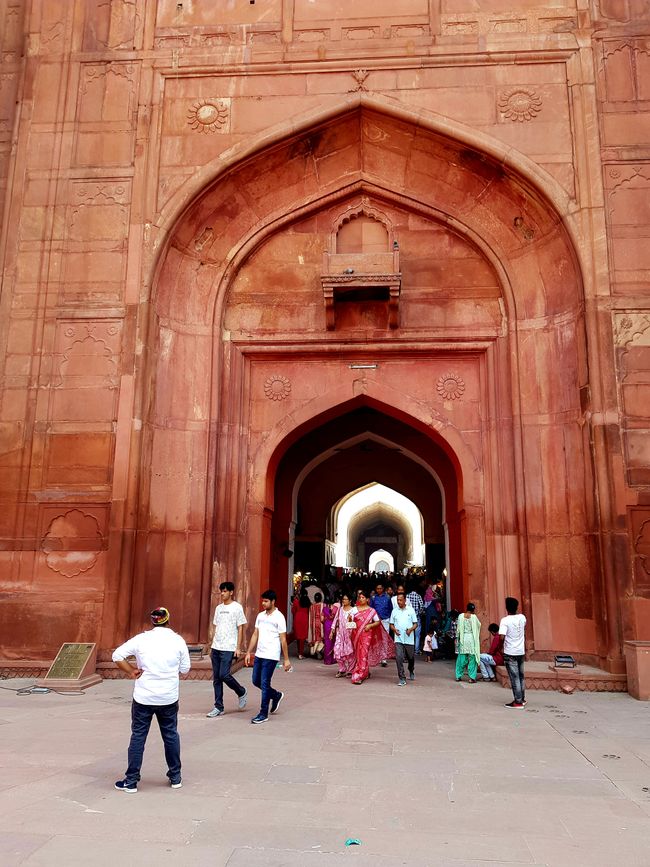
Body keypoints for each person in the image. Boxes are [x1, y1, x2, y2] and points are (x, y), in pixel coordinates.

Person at [112, 607, 190, 793]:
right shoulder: (178, 640)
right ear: (168, 620)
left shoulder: (142, 639)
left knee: (138, 736)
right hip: (168, 697)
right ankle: (175, 777)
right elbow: (186, 669)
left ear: (153, 621)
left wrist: (131, 670)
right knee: (170, 735)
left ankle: (131, 781)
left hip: (144, 696)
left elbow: (117, 656)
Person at [245, 589, 291, 724]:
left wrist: (287, 659)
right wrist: (249, 652)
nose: (263, 603)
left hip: (271, 655)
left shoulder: (279, 617)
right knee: (255, 681)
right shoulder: (260, 616)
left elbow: (283, 639)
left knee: (265, 683)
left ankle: (263, 713)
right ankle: (276, 695)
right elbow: (255, 634)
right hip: (259, 653)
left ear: (273, 601)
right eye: (262, 601)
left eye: (266, 601)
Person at [206, 581, 248, 718]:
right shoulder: (218, 608)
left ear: (231, 592)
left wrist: (238, 647)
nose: (222, 593)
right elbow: (216, 626)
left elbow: (241, 627)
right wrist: (212, 643)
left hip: (229, 647)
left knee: (224, 675)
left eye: (225, 591)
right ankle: (218, 706)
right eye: (221, 591)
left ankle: (241, 691)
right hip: (216, 647)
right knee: (217, 678)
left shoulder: (237, 608)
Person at [350, 588, 394, 684]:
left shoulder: (371, 611)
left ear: (367, 600)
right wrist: (349, 620)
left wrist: (370, 625)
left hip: (367, 635)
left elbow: (378, 622)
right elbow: (350, 623)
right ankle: (365, 671)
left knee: (364, 653)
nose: (361, 599)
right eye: (360, 597)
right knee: (358, 654)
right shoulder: (354, 610)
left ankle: (360, 675)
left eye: (363, 597)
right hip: (356, 635)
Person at [499, 597, 527, 708]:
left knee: (514, 677)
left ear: (507, 608)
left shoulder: (505, 620)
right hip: (520, 651)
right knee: (521, 676)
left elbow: (501, 637)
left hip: (510, 652)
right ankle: (522, 698)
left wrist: (501, 648)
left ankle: (518, 701)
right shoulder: (522, 618)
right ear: (516, 607)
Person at [389, 591, 418, 685]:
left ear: (405, 600)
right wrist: (394, 630)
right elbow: (391, 624)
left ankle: (411, 669)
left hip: (409, 638)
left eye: (401, 600)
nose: (399, 602)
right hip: (398, 638)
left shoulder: (411, 610)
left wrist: (410, 629)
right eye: (398, 600)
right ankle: (402, 678)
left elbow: (415, 624)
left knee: (411, 657)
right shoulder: (394, 611)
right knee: (399, 658)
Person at [331, 591, 357, 677]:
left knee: (350, 653)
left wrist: (350, 621)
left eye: (346, 599)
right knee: (337, 650)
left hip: (349, 635)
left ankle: (350, 670)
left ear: (350, 600)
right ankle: (342, 669)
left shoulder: (354, 610)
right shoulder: (340, 609)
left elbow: (355, 624)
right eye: (343, 599)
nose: (344, 601)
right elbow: (335, 620)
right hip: (340, 634)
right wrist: (332, 631)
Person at [455, 602, 481, 683]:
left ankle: (458, 676)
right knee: (472, 659)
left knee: (461, 659)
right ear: (473, 610)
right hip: (471, 639)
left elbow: (458, 629)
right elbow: (479, 625)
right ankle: (472, 678)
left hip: (463, 639)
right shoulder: (474, 617)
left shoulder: (460, 616)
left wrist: (457, 638)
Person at [370, 581, 393, 667]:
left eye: (380, 588)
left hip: (385, 620)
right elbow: (371, 610)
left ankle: (384, 658)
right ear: (376, 589)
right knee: (376, 639)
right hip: (376, 622)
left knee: (384, 639)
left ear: (383, 589)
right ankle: (377, 656)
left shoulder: (387, 597)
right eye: (377, 588)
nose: (379, 590)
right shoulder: (373, 598)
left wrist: (389, 619)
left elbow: (391, 609)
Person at [291, 590, 310, 659]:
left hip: (297, 618)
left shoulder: (296, 601)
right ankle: (300, 653)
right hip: (305, 619)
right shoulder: (307, 601)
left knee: (298, 637)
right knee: (302, 637)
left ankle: (299, 652)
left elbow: (293, 611)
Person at [406, 584, 424, 653]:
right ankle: (416, 650)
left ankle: (409, 650)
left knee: (409, 634)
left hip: (408, 618)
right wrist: (419, 613)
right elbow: (422, 606)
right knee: (417, 635)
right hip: (416, 618)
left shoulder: (407, 596)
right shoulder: (418, 596)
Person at [322, 594, 337, 665]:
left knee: (327, 641)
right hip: (333, 625)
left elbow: (322, 619)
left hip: (326, 624)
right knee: (333, 641)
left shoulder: (324, 609)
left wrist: (325, 620)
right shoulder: (336, 608)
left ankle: (327, 660)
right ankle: (333, 659)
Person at [309, 591, 324, 658]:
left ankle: (313, 651)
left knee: (315, 637)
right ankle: (318, 650)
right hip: (321, 624)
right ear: (321, 598)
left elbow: (310, 616)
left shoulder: (311, 606)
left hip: (313, 624)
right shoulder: (324, 605)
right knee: (321, 637)